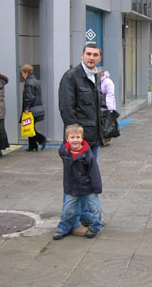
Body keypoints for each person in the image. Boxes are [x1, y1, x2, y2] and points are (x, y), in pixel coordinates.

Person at [59, 43, 103, 234]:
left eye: (95, 55)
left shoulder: (96, 76)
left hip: (93, 139)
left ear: (99, 58)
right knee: (73, 182)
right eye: (88, 54)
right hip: (78, 143)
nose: (91, 58)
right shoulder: (71, 77)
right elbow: (67, 111)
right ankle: (70, 222)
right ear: (82, 55)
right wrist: (75, 141)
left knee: (87, 180)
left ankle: (85, 216)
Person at [53, 124, 103, 240]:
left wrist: (97, 187)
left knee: (95, 208)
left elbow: (94, 172)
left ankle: (95, 227)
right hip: (72, 187)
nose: (75, 140)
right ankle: (63, 228)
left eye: (78, 137)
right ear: (67, 139)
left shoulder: (88, 155)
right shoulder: (65, 153)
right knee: (68, 210)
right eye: (72, 137)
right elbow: (62, 150)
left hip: (88, 187)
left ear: (82, 138)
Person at [20, 64, 47, 152]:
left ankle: (41, 139)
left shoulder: (29, 82)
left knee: (29, 126)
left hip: (31, 108)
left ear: (26, 72)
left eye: (22, 73)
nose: (22, 75)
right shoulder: (35, 81)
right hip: (36, 106)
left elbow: (29, 96)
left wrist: (27, 108)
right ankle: (33, 145)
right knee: (30, 126)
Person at [99, 68, 116, 146]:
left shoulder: (108, 82)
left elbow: (110, 95)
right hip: (101, 106)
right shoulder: (98, 81)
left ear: (102, 74)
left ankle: (106, 139)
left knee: (107, 123)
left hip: (107, 106)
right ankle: (103, 139)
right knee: (102, 123)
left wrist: (110, 108)